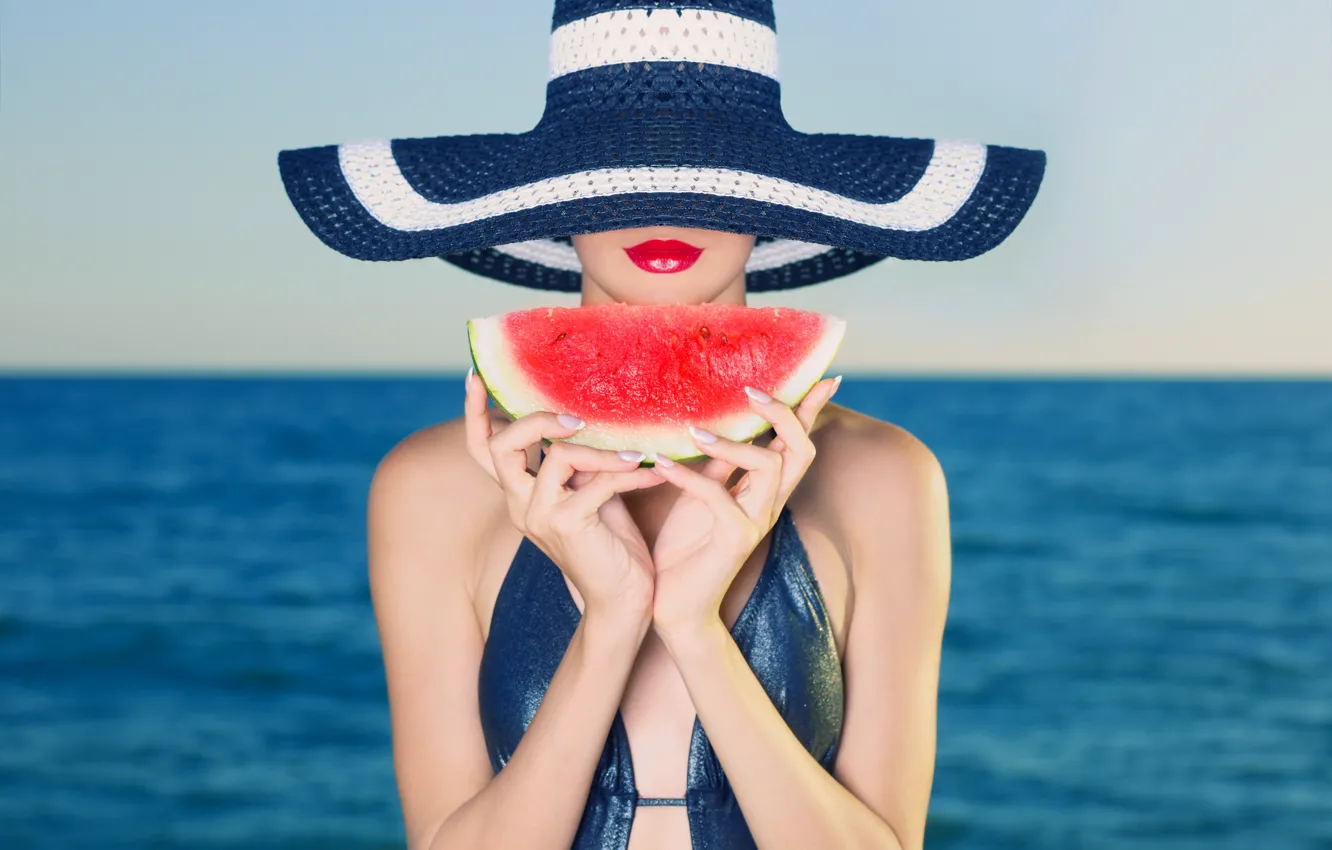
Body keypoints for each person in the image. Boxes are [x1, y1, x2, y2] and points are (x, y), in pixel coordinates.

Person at [276, 2, 1045, 848]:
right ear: (559, 206)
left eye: (711, 180)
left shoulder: (886, 478)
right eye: (614, 180)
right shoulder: (431, 489)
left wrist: (692, 627)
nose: (662, 214)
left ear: (769, 205)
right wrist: (611, 623)